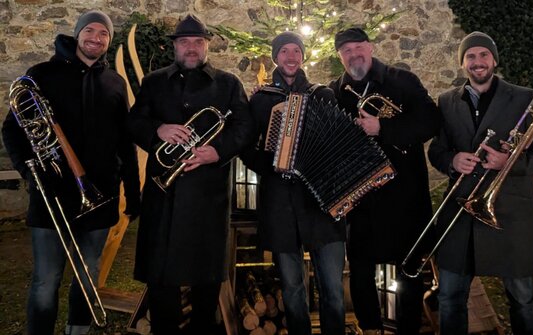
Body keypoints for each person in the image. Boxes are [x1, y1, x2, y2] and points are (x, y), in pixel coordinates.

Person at [1, 10, 141, 335]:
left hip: (101, 197)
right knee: (46, 279)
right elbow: (13, 130)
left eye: (103, 33)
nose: (96, 38)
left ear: (109, 39)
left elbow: (125, 144)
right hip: (51, 196)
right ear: (77, 35)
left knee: (88, 274)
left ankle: (77, 330)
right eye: (89, 31)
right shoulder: (42, 74)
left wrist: (132, 195)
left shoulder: (115, 83)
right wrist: (29, 171)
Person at [428, 31, 533, 335]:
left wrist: (509, 163)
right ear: (462, 63)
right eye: (471, 56)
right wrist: (452, 160)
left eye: (483, 55)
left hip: (509, 212)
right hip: (460, 213)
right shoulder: (447, 101)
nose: (478, 62)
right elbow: (437, 150)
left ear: (494, 60)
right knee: (449, 298)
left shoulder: (527, 98)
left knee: (522, 299)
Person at [128, 14, 254, 334]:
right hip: (163, 195)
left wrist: (218, 151)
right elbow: (133, 123)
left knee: (205, 277)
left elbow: (245, 127)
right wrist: (159, 129)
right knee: (161, 275)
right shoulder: (154, 82)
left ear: (207, 45)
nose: (192, 48)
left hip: (207, 194)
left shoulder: (228, 83)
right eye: (184, 42)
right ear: (175, 46)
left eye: (198, 42)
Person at [329, 28, 441, 335]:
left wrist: (383, 127)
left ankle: (407, 329)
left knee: (409, 269)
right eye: (346, 51)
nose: (354, 55)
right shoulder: (335, 90)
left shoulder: (402, 80)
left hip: (405, 195)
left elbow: (431, 121)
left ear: (370, 47)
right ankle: (370, 329)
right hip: (362, 197)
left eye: (358, 47)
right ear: (340, 57)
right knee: (362, 271)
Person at [240, 31, 346, 335]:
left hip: (320, 204)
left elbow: (338, 142)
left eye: (296, 51)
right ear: (276, 57)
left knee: (333, 292)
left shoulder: (322, 94)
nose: (290, 57)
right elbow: (247, 150)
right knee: (292, 289)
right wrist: (272, 163)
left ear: (303, 57)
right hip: (280, 206)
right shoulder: (261, 100)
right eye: (284, 51)